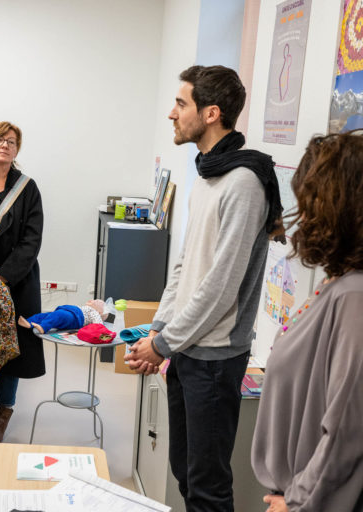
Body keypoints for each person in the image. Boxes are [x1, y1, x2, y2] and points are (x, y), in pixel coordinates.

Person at [124, 65, 283, 512]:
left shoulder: (245, 183)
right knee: (185, 473)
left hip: (214, 359)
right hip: (186, 349)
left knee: (209, 488)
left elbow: (221, 287)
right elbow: (187, 264)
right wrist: (157, 330)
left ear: (211, 113)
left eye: (181, 103)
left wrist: (165, 342)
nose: (171, 114)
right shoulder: (209, 176)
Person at [251, 132, 363, 512]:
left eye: (308, 202)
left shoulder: (354, 298)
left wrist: (297, 503)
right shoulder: (340, 284)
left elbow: (347, 430)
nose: (301, 216)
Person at [0, 121, 44, 443]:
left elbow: (31, 240)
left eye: (12, 141)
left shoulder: (27, 188)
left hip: (15, 281)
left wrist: (2, 278)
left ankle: (5, 411)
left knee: (10, 349)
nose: (5, 145)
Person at [18, 299, 111, 334]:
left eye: (99, 302)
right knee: (44, 315)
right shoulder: (88, 308)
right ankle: (29, 322)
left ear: (99, 311)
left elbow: (99, 324)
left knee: (58, 315)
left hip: (74, 319)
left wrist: (104, 331)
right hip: (69, 313)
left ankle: (43, 327)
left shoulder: (94, 312)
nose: (96, 300)